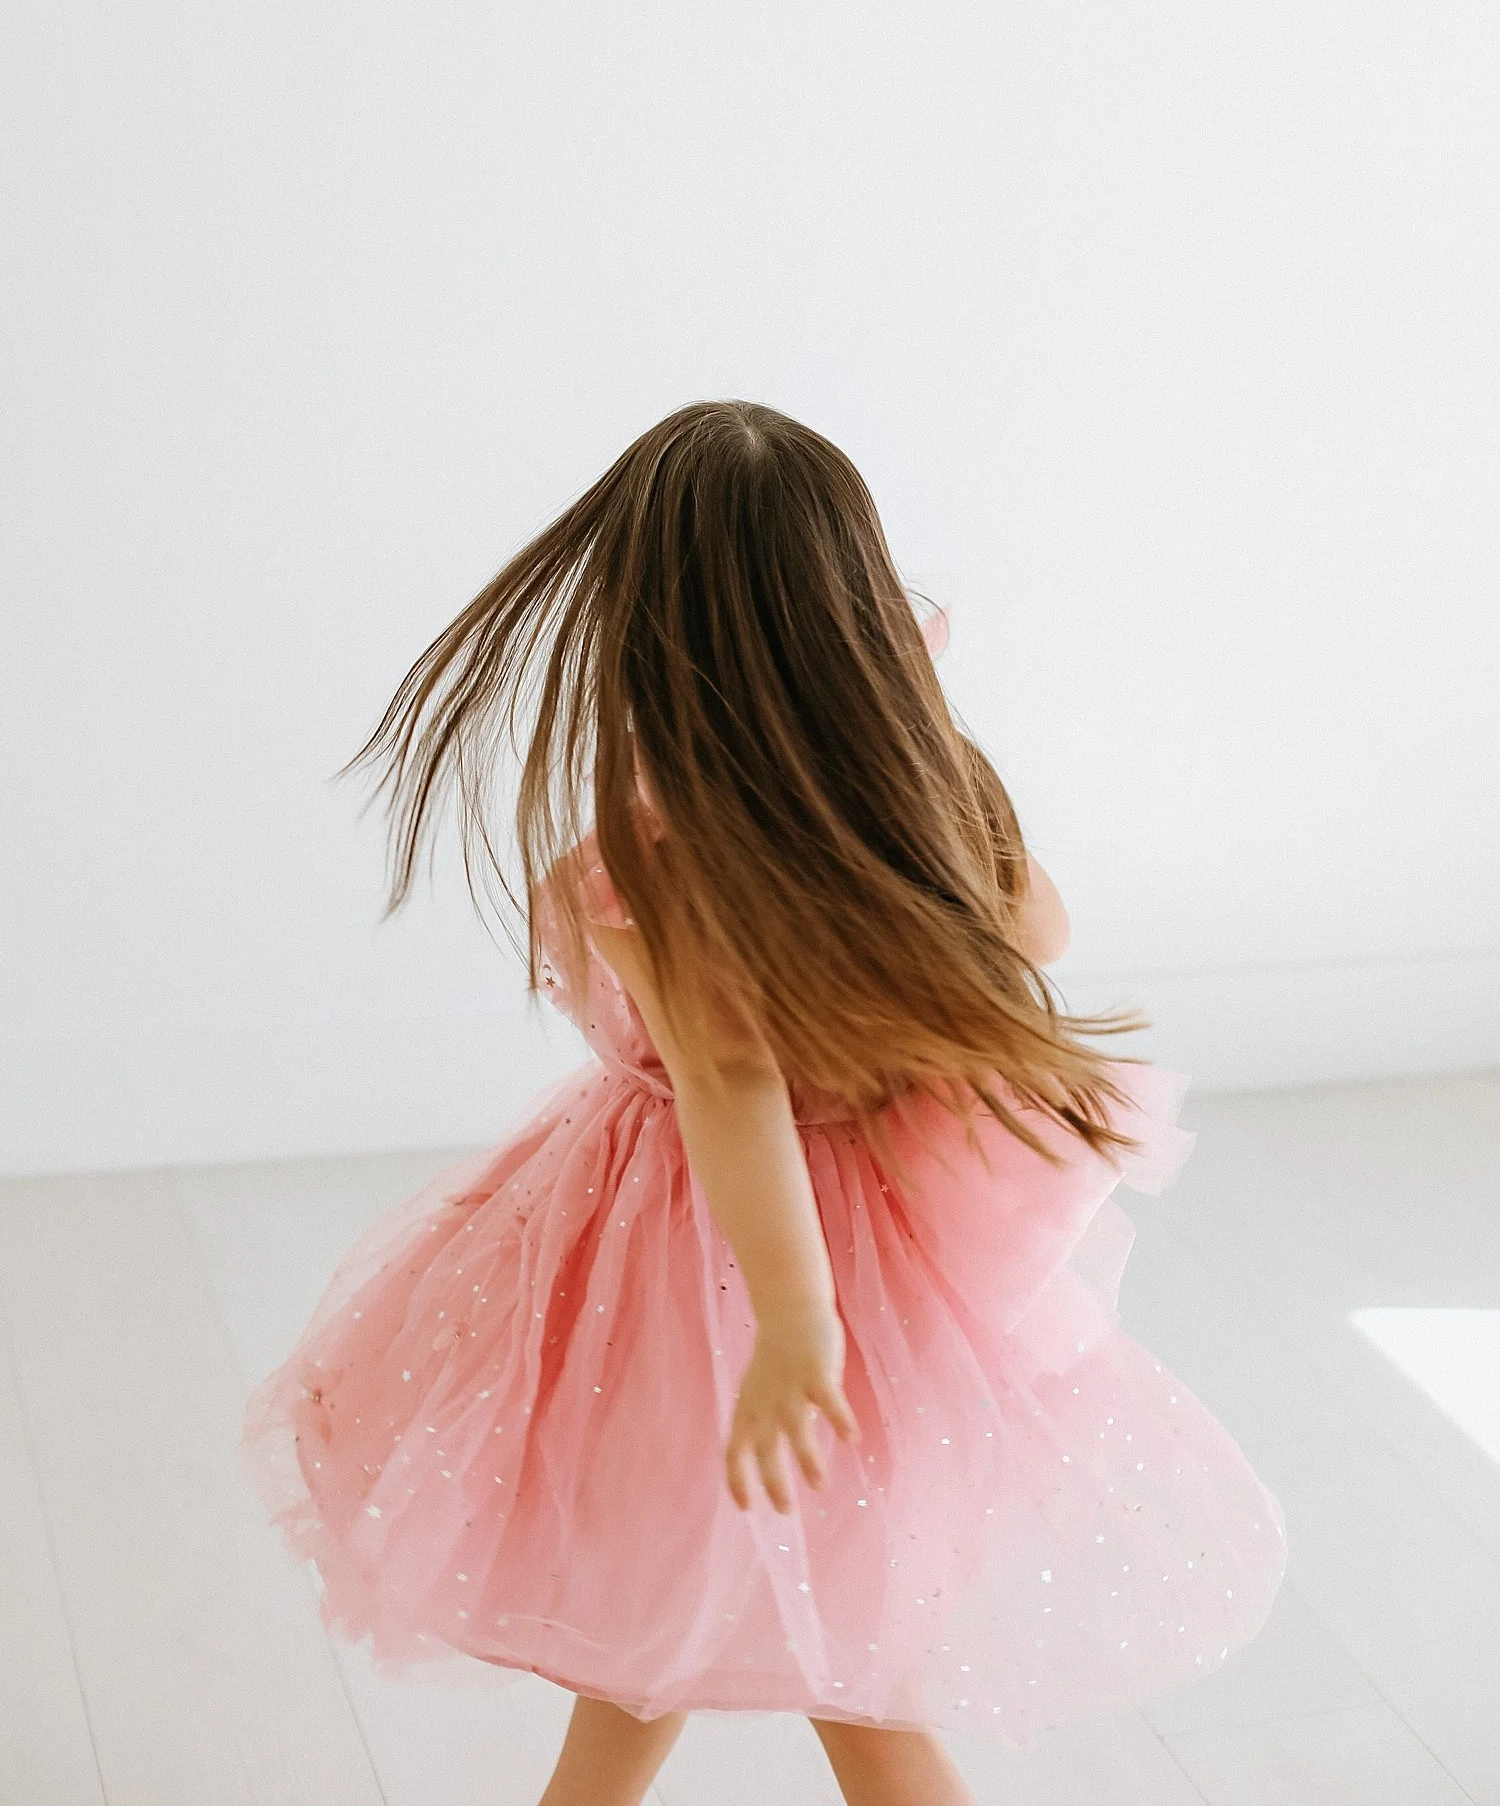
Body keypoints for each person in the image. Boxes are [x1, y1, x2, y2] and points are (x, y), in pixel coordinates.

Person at [242, 400, 1287, 1806]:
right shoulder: (902, 796)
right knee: (827, 1675)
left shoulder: (649, 855)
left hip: (690, 1272)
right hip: (849, 1264)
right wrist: (909, 818)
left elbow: (730, 1083)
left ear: (645, 620)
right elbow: (1034, 928)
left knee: (661, 1647)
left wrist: (793, 1318)